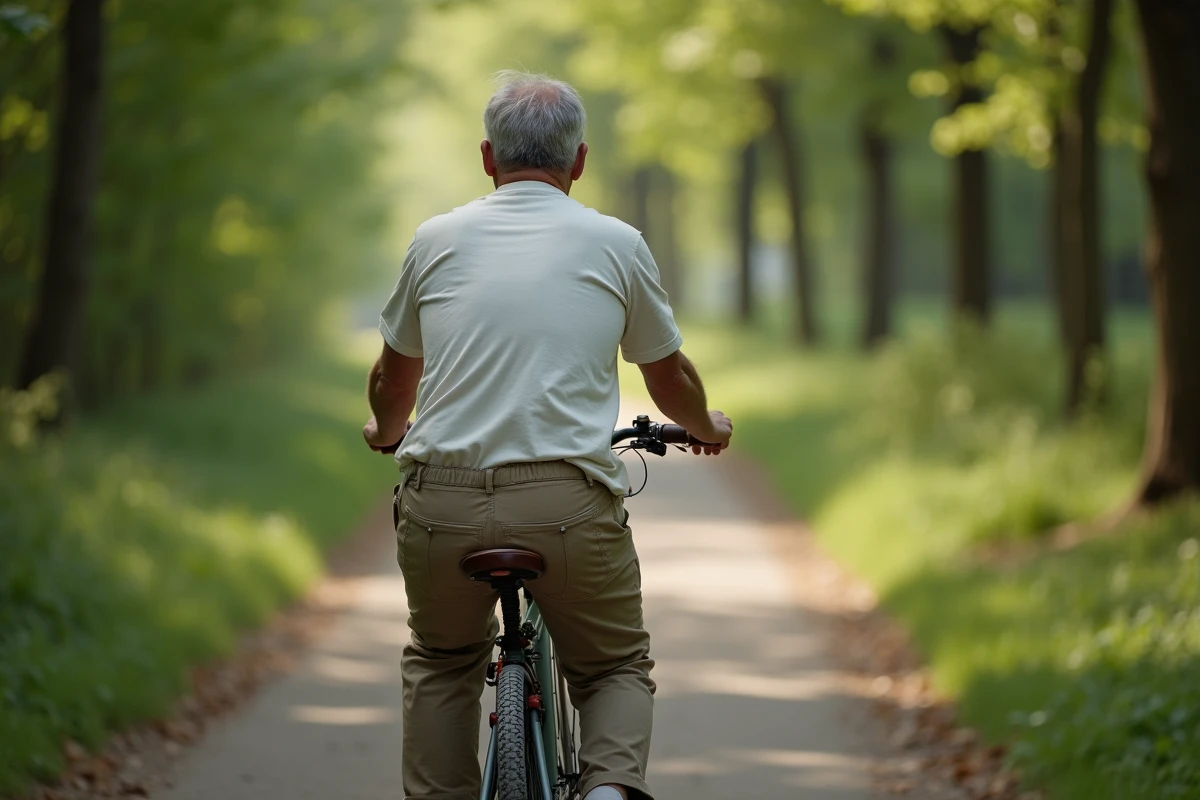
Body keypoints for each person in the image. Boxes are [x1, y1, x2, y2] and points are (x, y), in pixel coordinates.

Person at [362, 70, 733, 800]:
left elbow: (393, 378)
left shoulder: (434, 240)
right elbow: (669, 376)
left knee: (442, 663)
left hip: (442, 504)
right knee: (613, 667)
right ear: (580, 160)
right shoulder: (617, 243)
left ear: (487, 157)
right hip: (566, 507)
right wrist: (703, 426)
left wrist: (386, 429)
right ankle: (607, 790)